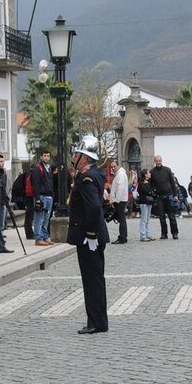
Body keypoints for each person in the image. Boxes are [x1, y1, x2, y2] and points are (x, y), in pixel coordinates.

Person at [67, 135, 110, 335]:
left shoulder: (85, 178)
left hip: (88, 236)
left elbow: (93, 207)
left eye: (77, 154)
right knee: (95, 279)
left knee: (92, 280)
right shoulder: (94, 173)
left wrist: (90, 234)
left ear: (84, 158)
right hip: (91, 234)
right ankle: (98, 320)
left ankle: (97, 322)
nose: (74, 156)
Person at [149, 155, 179, 239]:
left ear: (161, 161)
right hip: (159, 197)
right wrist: (153, 192)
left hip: (169, 195)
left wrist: (175, 194)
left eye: (159, 160)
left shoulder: (167, 170)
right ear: (155, 161)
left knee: (171, 216)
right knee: (161, 217)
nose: (158, 162)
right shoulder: (152, 172)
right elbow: (151, 185)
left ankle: (175, 233)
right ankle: (164, 233)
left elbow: (172, 183)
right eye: (157, 161)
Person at [32, 149, 54, 246]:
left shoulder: (48, 168)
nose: (46, 158)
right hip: (41, 196)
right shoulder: (38, 168)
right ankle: (38, 238)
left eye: (48, 156)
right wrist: (37, 198)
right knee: (39, 218)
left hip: (48, 196)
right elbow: (35, 184)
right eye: (44, 156)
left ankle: (45, 236)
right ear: (41, 157)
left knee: (46, 218)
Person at [110, 159, 128, 244]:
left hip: (120, 200)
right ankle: (123, 236)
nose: (113, 168)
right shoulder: (120, 174)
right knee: (122, 219)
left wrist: (116, 200)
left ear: (118, 166)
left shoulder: (120, 175)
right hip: (120, 199)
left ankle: (122, 237)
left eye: (114, 166)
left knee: (121, 219)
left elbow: (120, 189)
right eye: (112, 167)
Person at [137, 168, 156, 241]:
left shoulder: (148, 182)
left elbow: (151, 191)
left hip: (149, 202)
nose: (150, 174)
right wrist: (150, 191)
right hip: (144, 202)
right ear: (145, 174)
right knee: (144, 219)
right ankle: (143, 235)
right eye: (148, 173)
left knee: (148, 219)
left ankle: (148, 234)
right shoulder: (141, 183)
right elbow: (146, 191)